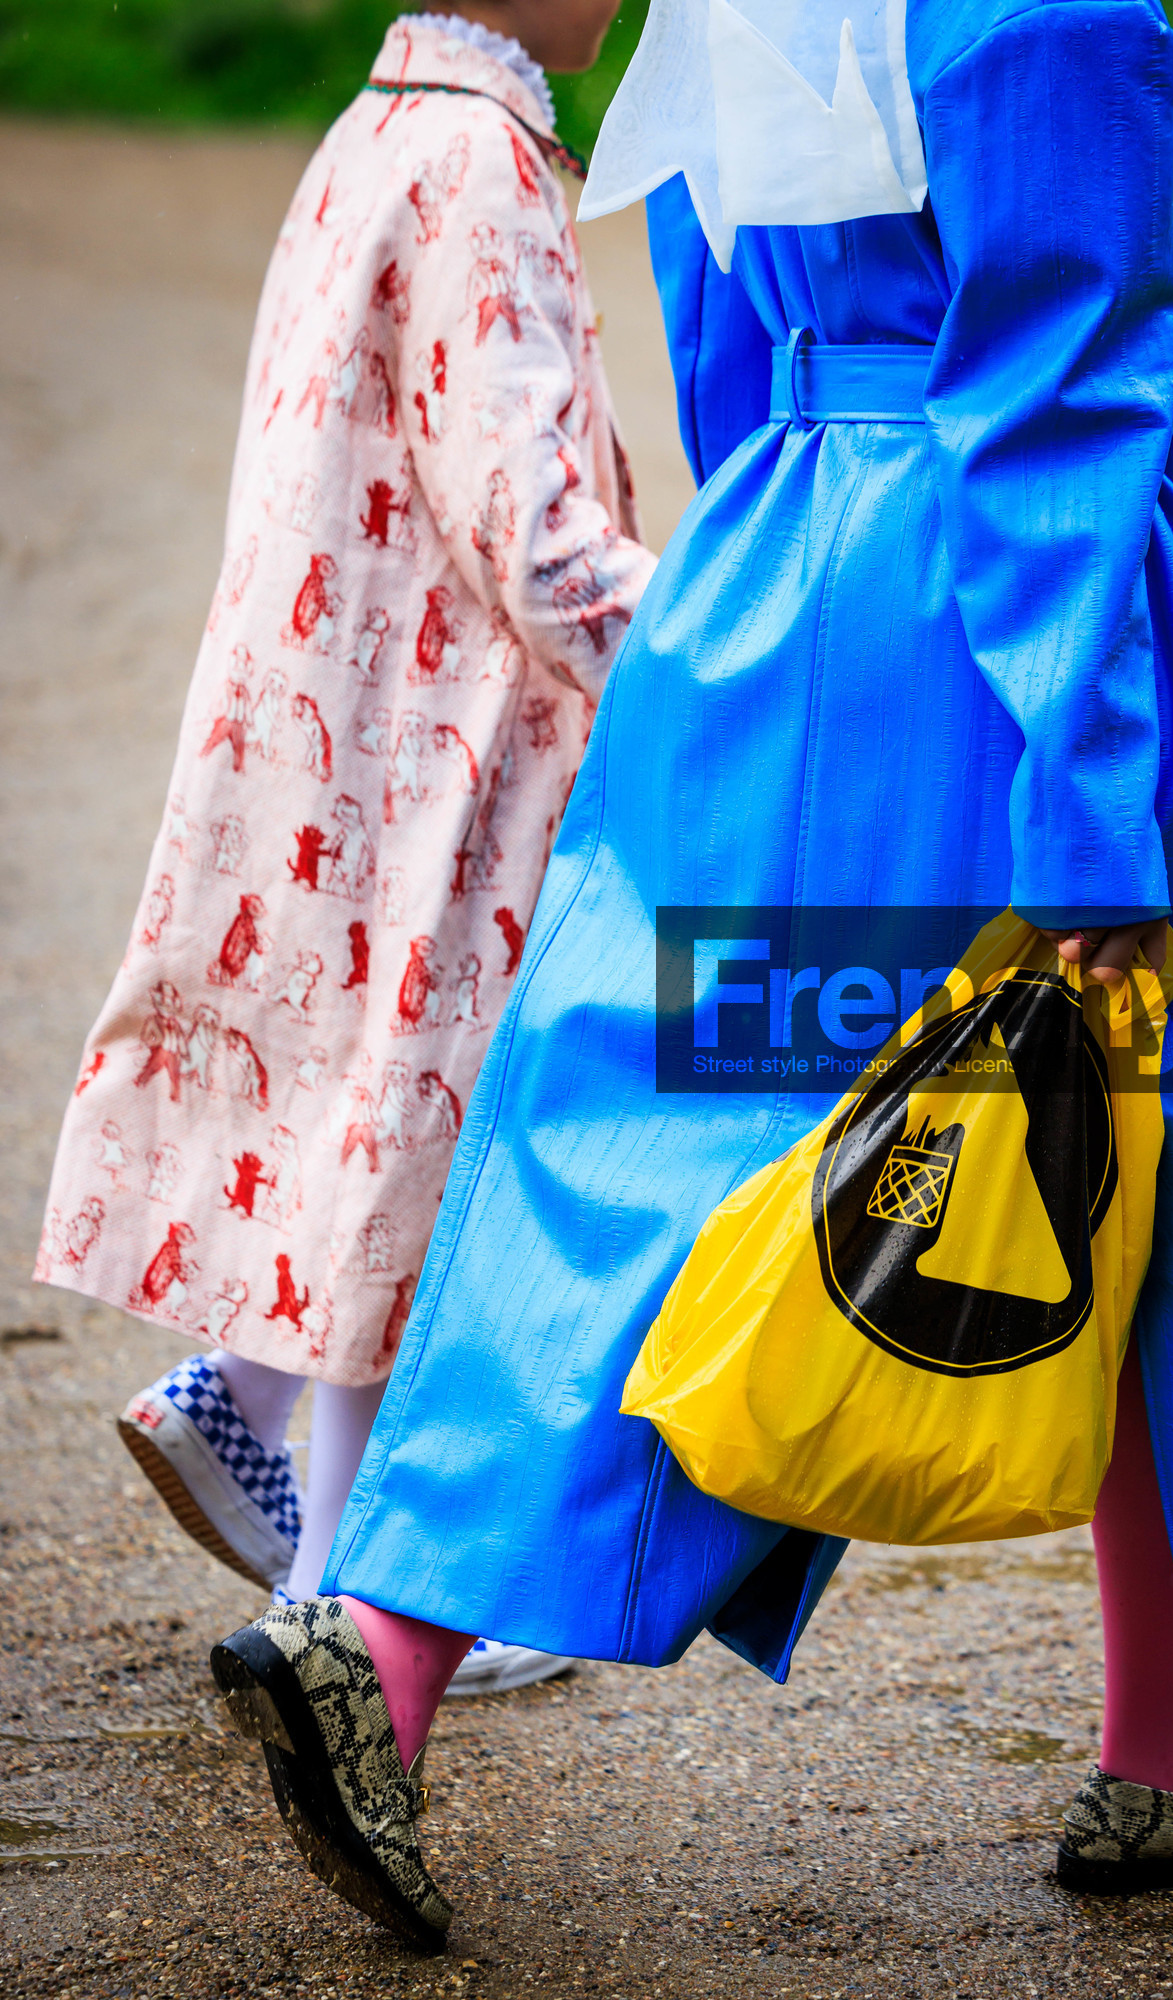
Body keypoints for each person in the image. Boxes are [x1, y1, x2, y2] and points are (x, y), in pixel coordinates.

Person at [208, 0, 1173, 1950]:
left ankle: (385, 1651)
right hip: (1001, 589)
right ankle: (1153, 1748)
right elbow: (1057, 367)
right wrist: (1085, 793)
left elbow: (713, 319)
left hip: (768, 561)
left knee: (646, 1142)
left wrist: (781, 568)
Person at [38, 0, 651, 1697]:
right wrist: (719, 654)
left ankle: (239, 1391)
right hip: (437, 742)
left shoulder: (381, 126)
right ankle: (343, 1584)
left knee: (356, 1095)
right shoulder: (482, 160)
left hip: (329, 710)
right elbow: (538, 545)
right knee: (426, 1126)